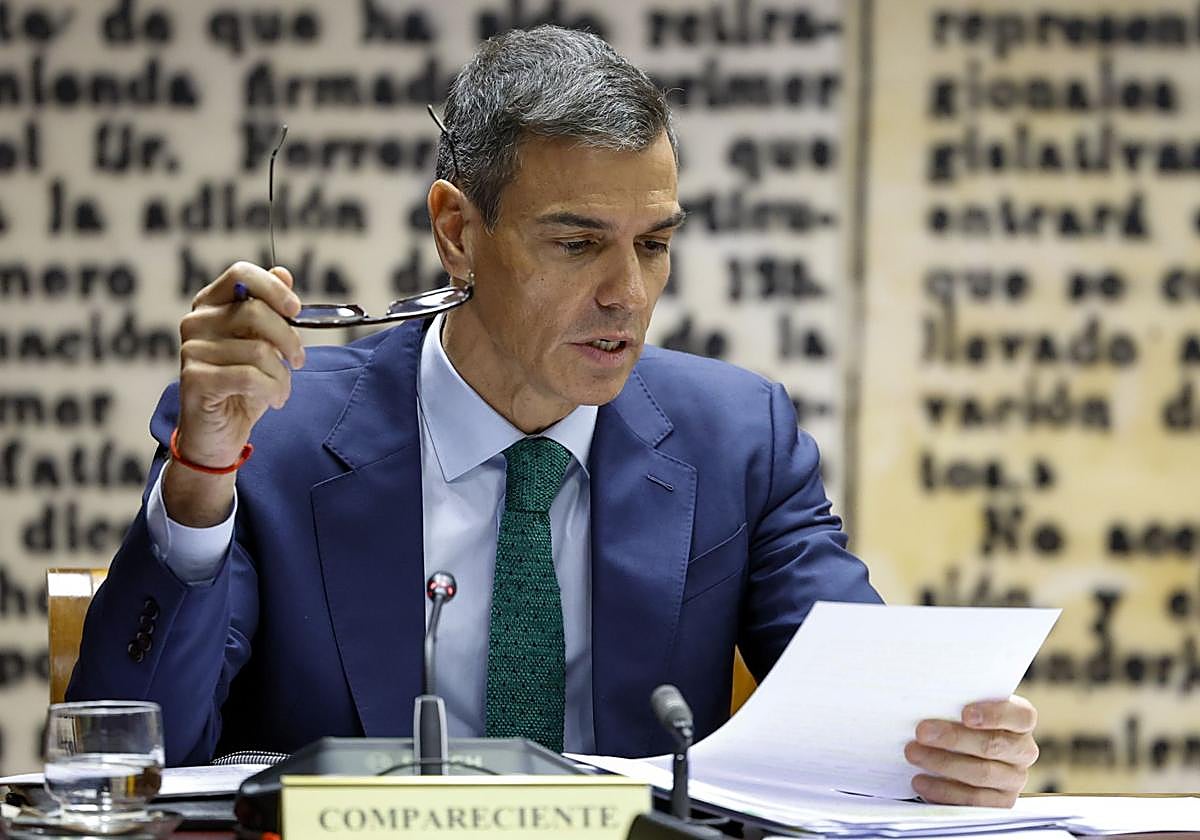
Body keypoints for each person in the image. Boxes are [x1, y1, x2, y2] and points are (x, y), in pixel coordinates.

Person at [69, 26, 1039, 807]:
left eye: (653, 244)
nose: (628, 293)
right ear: (458, 231)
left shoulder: (739, 438)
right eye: (577, 244)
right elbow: (128, 760)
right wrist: (202, 476)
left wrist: (950, 750)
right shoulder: (270, 433)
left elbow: (868, 725)